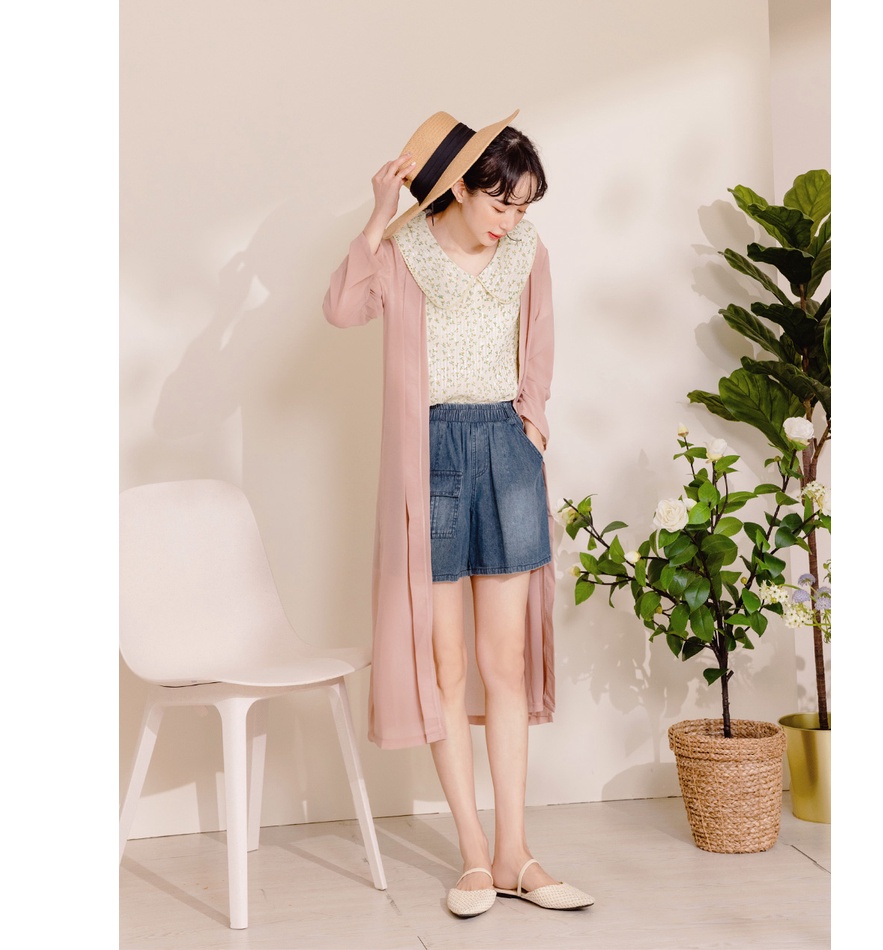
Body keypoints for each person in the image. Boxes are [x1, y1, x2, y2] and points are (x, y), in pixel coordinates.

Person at [323, 110, 593, 917]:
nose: (511, 219)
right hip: (432, 454)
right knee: (446, 665)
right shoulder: (402, 250)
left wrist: (531, 424)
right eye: (501, 203)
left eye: (523, 205)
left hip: (507, 449)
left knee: (503, 661)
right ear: (462, 190)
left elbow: (539, 346)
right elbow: (341, 308)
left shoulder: (527, 252)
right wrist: (378, 215)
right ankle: (473, 855)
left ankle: (517, 853)